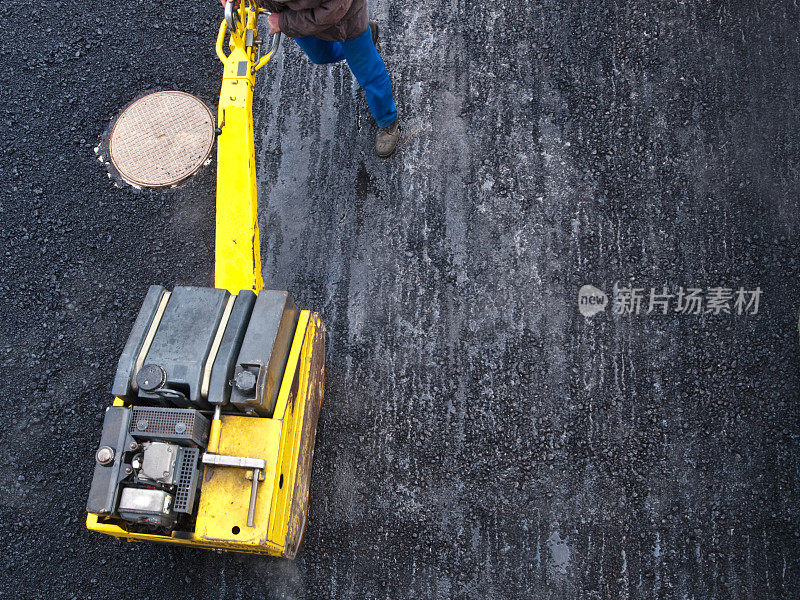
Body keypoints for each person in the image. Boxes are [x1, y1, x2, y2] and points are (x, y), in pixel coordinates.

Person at [243, 0, 400, 158]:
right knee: (320, 56)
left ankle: (387, 120)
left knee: (368, 73)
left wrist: (284, 22)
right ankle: (362, 46)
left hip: (344, 21)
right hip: (298, 17)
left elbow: (333, 10)